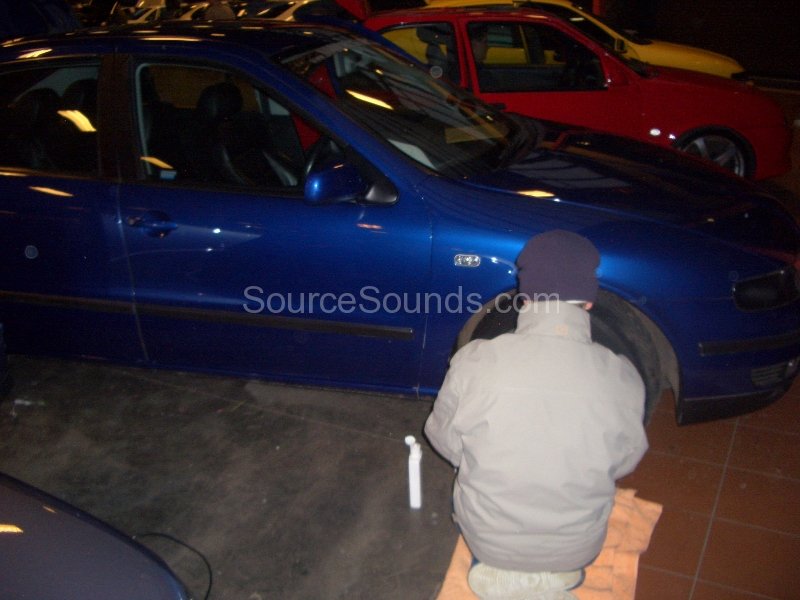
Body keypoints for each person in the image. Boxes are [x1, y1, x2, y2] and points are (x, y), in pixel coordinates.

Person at [424, 229, 648, 600]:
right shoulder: (623, 376)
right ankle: (559, 574)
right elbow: (625, 461)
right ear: (588, 302)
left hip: (490, 541)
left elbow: (443, 440)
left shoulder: (475, 361)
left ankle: (494, 568)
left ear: (525, 297)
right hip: (578, 547)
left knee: (465, 482)